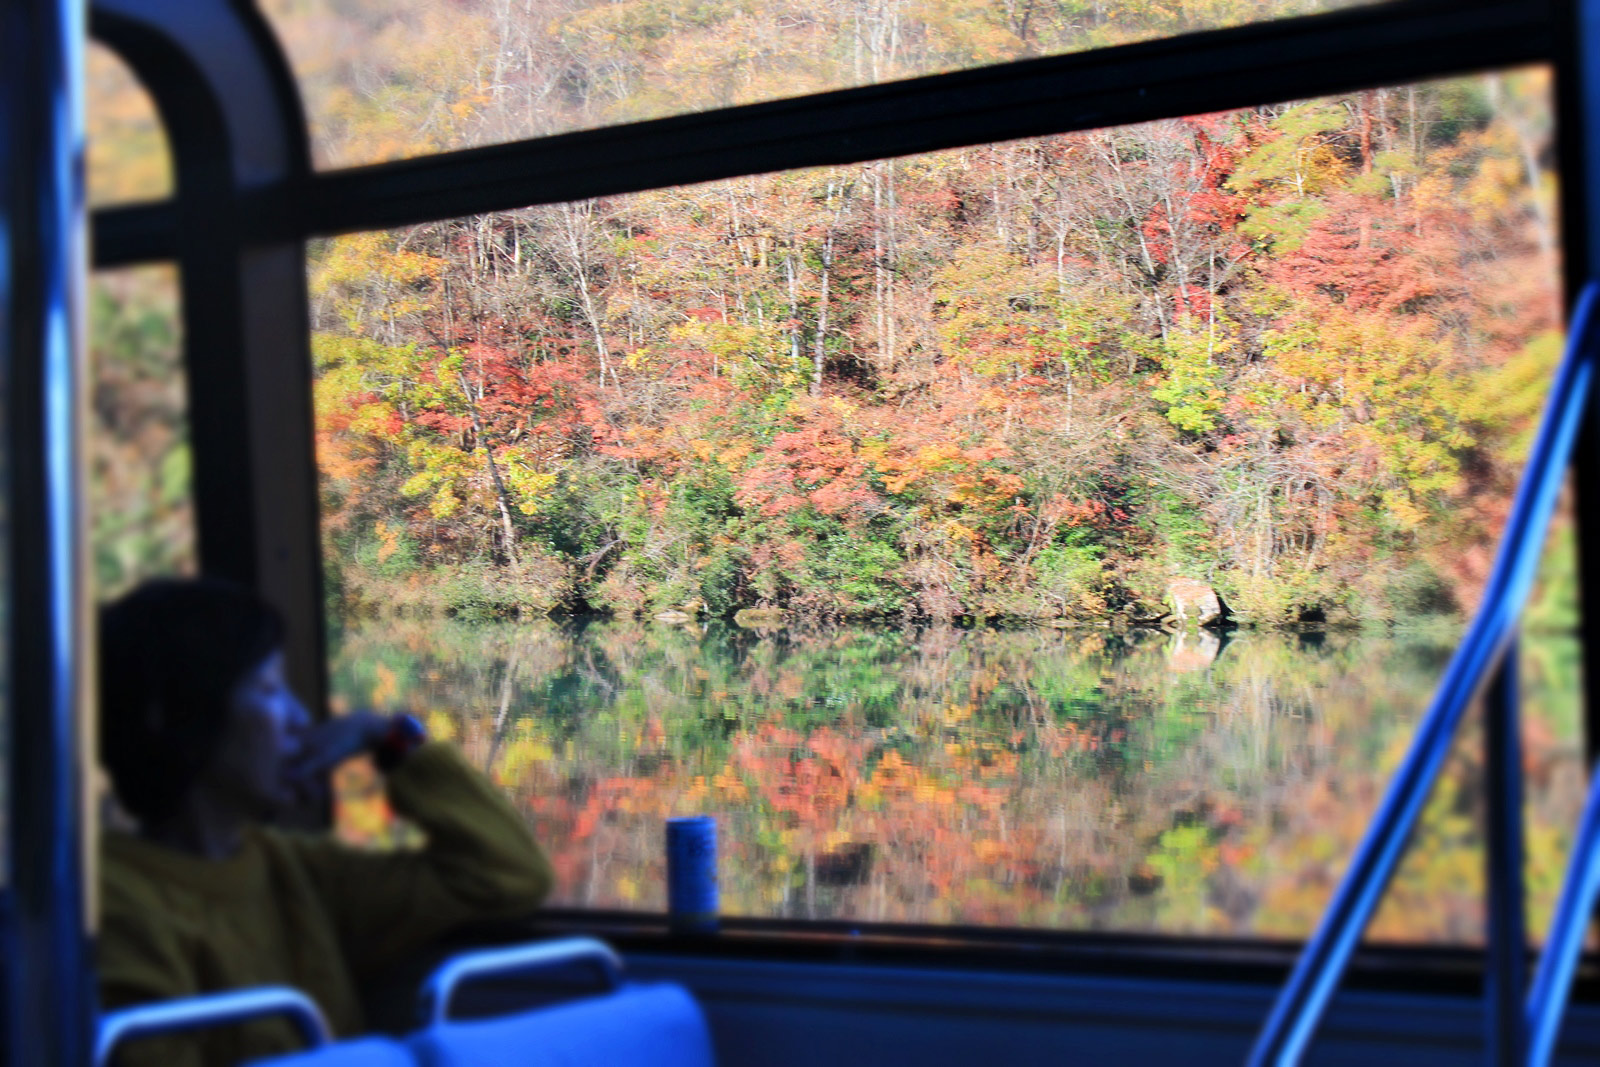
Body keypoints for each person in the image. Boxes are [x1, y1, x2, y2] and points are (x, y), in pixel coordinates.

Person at [96, 578, 552, 1066]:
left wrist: (389, 742)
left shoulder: (296, 869)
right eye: (270, 690)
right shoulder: (113, 903)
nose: (298, 718)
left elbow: (506, 875)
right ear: (178, 715)